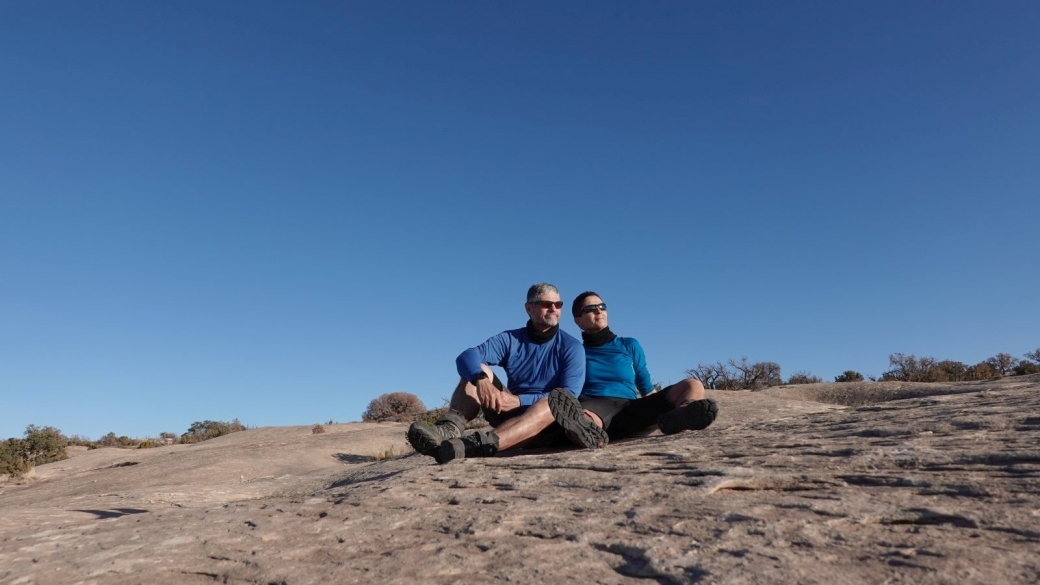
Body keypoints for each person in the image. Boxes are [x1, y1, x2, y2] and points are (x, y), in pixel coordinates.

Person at [407, 283, 599, 464]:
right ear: (529, 308)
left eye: (558, 304)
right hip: (508, 413)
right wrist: (481, 381)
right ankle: (450, 429)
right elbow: (468, 355)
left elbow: (569, 396)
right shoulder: (510, 339)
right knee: (478, 370)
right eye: (546, 304)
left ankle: (472, 446)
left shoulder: (571, 347)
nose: (553, 309)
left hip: (547, 423)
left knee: (552, 403)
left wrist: (519, 401)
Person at [547, 291, 719, 444]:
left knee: (693, 384)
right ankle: (586, 433)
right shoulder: (575, 351)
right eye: (590, 309)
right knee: (582, 417)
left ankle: (682, 414)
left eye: (602, 306)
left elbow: (646, 386)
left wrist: (660, 404)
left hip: (631, 408)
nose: (599, 311)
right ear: (578, 320)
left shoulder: (629, 345)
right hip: (596, 405)